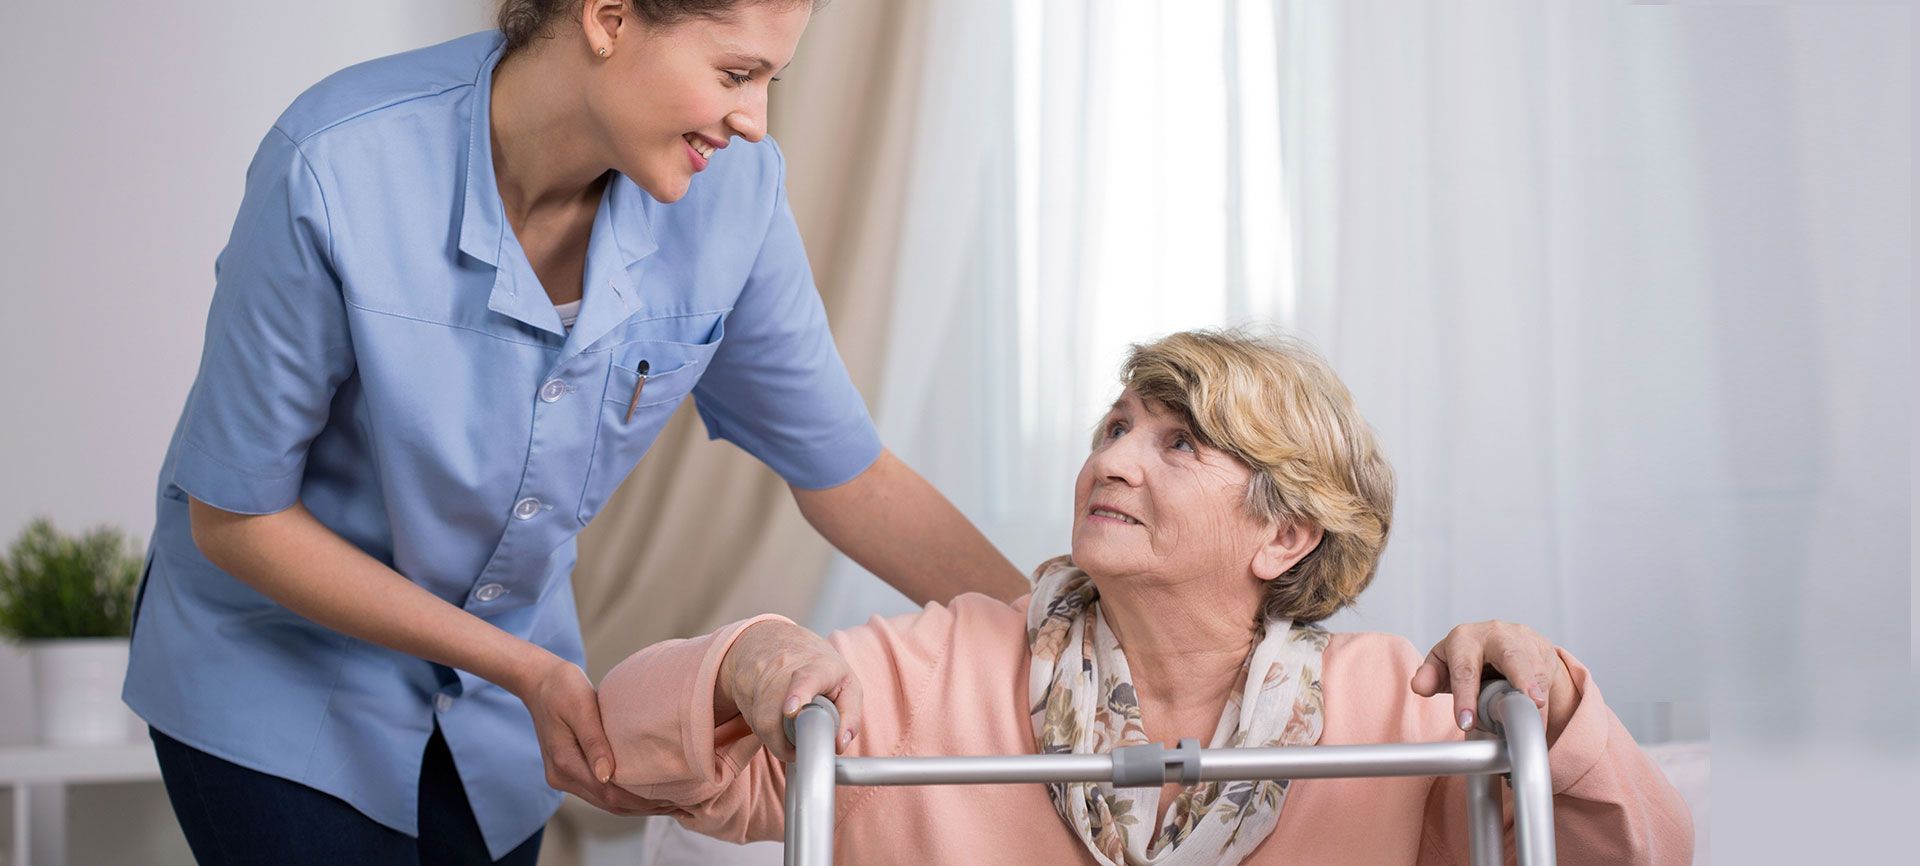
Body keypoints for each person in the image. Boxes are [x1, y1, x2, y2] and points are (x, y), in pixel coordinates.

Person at [122, 1, 1025, 863]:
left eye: (771, 82)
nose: (752, 120)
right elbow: (237, 519)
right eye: (736, 72)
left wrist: (1065, 636)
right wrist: (523, 669)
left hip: (497, 714)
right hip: (279, 676)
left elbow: (849, 473)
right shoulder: (335, 165)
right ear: (609, 17)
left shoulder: (732, 199)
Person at [599, 330, 1696, 864]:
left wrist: (1547, 706)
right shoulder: (933, 668)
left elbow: (1644, 849)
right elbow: (634, 749)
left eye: (1179, 443)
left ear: (1284, 532)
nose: (1115, 459)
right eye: (1115, 428)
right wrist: (747, 658)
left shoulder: (1405, 707)